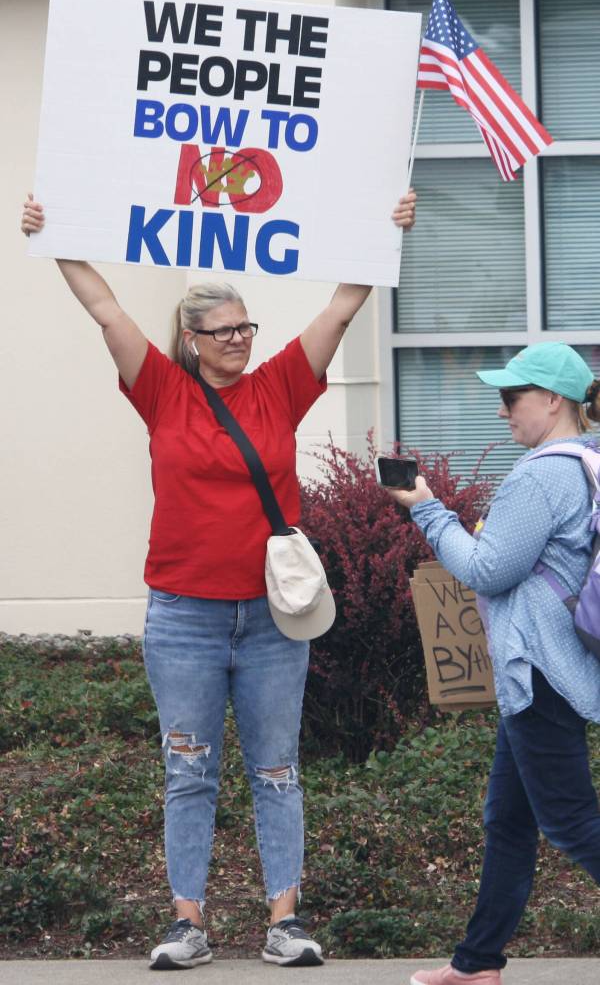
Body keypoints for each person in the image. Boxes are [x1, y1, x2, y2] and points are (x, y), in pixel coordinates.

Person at [21, 190, 416, 970]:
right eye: (223, 330)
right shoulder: (160, 390)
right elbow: (105, 310)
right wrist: (57, 237)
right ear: (192, 339)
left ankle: (286, 922)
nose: (239, 339)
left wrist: (381, 231)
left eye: (246, 327)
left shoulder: (278, 386)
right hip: (183, 617)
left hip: (272, 616)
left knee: (276, 769)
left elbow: (339, 310)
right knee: (189, 769)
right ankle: (186, 925)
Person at [385, 341, 600, 985]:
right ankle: (477, 964)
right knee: (508, 820)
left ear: (553, 400)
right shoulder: (590, 463)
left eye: (512, 397)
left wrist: (424, 507)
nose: (503, 410)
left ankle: (477, 964)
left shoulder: (539, 474)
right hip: (555, 664)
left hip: (539, 667)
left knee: (569, 819)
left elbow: (487, 569)